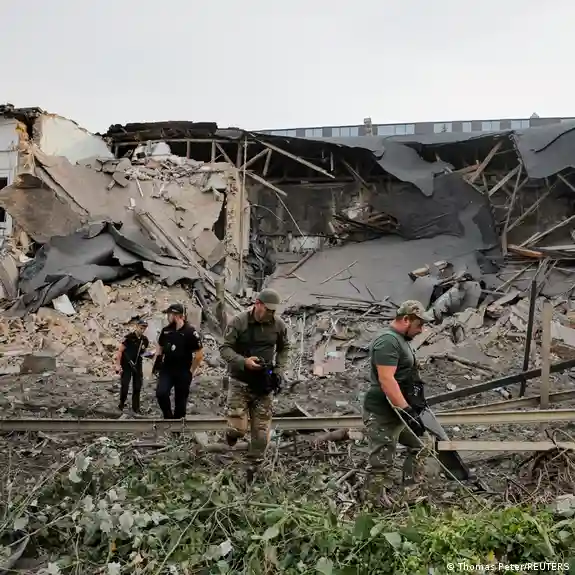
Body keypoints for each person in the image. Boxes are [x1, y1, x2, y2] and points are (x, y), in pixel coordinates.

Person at [362, 300, 435, 506]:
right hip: (383, 412)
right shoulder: (388, 341)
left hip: (398, 410)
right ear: (405, 320)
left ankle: (410, 495)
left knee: (422, 444)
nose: (421, 330)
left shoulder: (401, 340)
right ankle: (372, 504)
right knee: (381, 461)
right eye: (419, 324)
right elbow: (386, 379)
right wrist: (407, 410)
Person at [219, 288, 290, 453]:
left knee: (262, 436)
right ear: (258, 304)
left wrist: (279, 369)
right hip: (240, 381)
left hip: (264, 384)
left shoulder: (278, 325)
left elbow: (284, 347)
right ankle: (231, 436)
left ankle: (254, 462)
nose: (271, 313)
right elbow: (225, 348)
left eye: (274, 310)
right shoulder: (239, 322)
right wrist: (244, 362)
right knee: (237, 430)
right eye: (268, 309)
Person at [153, 303, 204, 419]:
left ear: (176, 316)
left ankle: (178, 425)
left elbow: (199, 354)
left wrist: (191, 371)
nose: (167, 317)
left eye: (169, 314)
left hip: (183, 370)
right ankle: (168, 417)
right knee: (161, 393)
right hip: (167, 369)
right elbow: (160, 347)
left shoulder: (190, 332)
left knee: (180, 401)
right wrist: (156, 365)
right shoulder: (166, 331)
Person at [115, 318, 149, 414]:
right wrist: (117, 365)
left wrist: (150, 354)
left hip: (138, 365)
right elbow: (120, 351)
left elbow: (143, 352)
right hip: (127, 365)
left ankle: (136, 408)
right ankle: (121, 404)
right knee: (125, 385)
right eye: (141, 327)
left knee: (137, 387)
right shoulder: (129, 338)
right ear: (137, 326)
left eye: (144, 328)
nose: (142, 330)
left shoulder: (144, 340)